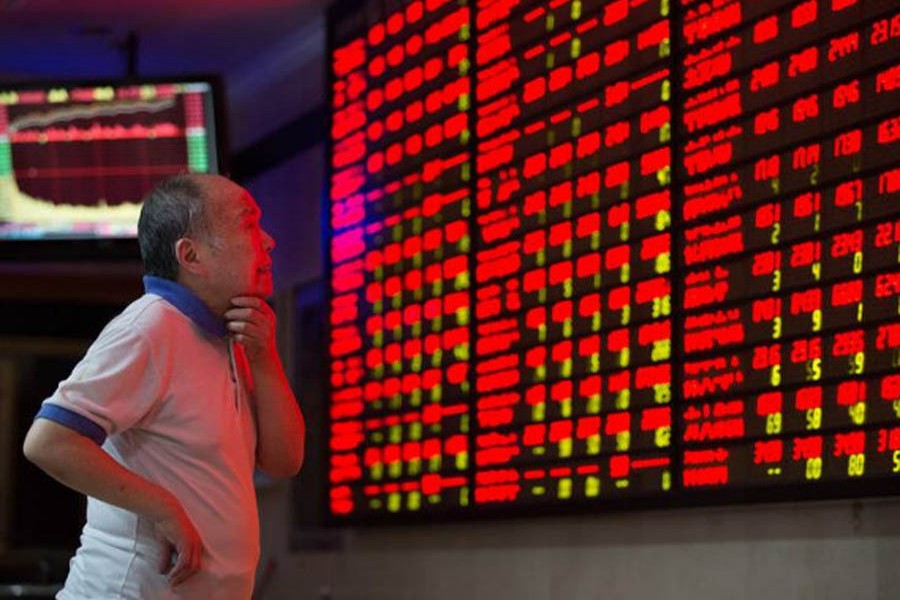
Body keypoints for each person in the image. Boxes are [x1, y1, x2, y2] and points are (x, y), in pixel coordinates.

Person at [22, 173, 305, 599]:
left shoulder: (232, 337)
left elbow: (284, 461)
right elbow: (48, 441)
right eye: (248, 224)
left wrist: (265, 359)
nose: (268, 241)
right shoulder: (150, 326)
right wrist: (163, 507)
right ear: (191, 255)